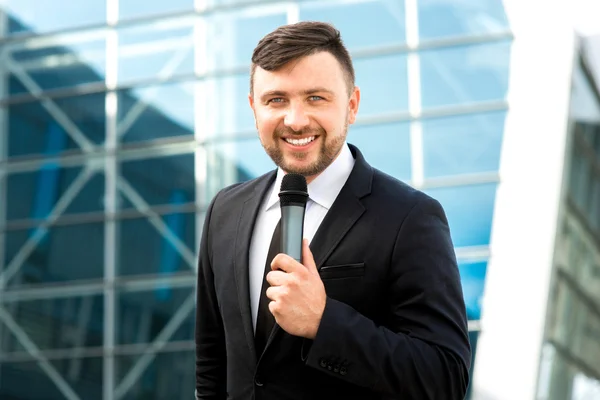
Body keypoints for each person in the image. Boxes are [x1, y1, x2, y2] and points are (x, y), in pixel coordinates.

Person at [195, 21, 471, 400]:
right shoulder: (225, 210)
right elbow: (212, 364)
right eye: (276, 99)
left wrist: (325, 323)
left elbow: (445, 377)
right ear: (253, 108)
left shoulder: (410, 217)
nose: (295, 120)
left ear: (352, 105)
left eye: (316, 98)